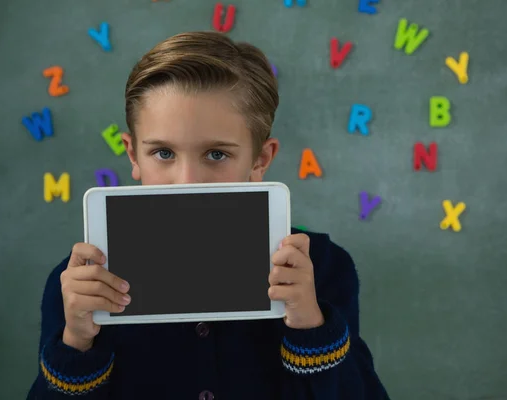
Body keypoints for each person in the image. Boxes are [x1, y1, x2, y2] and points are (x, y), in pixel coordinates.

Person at [27, 31, 389, 400]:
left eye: (216, 154)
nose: (187, 182)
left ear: (260, 160)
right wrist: (76, 343)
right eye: (164, 153)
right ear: (133, 155)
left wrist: (311, 326)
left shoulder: (323, 269)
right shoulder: (81, 284)